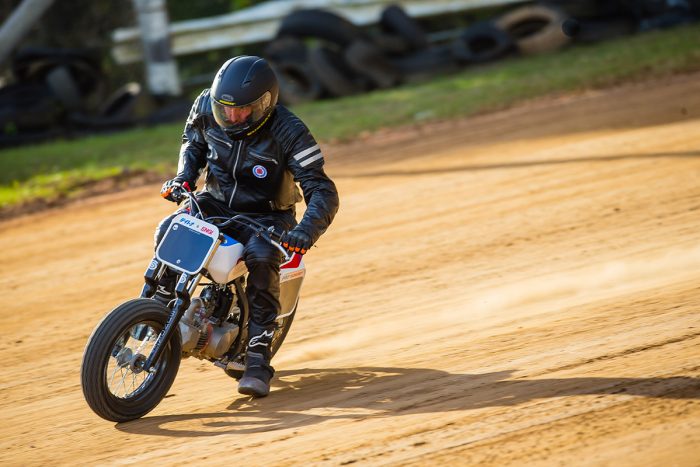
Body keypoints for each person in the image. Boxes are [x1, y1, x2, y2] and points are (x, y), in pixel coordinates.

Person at [155, 55, 339, 398]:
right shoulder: (205, 107)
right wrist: (183, 178)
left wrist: (305, 231)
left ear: (266, 103)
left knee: (261, 255)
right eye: (225, 109)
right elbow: (192, 144)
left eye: (243, 110)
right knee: (171, 226)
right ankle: (157, 303)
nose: (233, 116)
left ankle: (257, 358)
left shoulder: (290, 131)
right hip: (215, 201)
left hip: (269, 216)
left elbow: (323, 190)